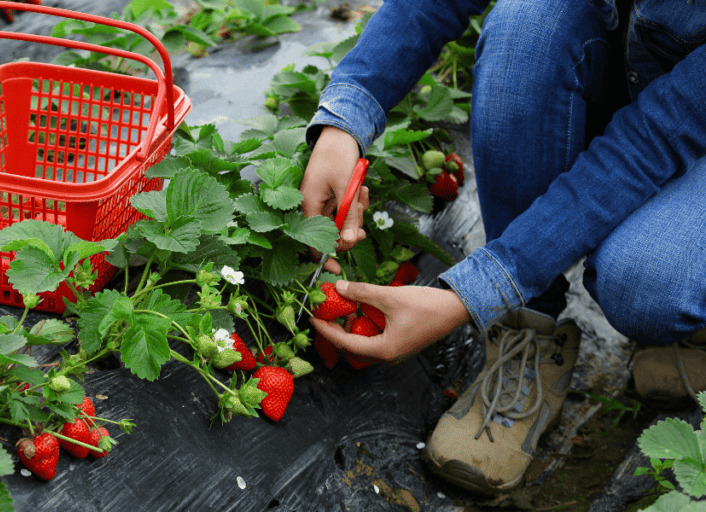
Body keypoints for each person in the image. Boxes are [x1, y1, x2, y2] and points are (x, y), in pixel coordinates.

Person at [300, 0, 706, 495]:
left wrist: (471, 292)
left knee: (644, 280)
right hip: (635, 69)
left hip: (686, 119)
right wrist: (346, 117)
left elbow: (652, 140)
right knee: (525, 23)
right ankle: (528, 326)